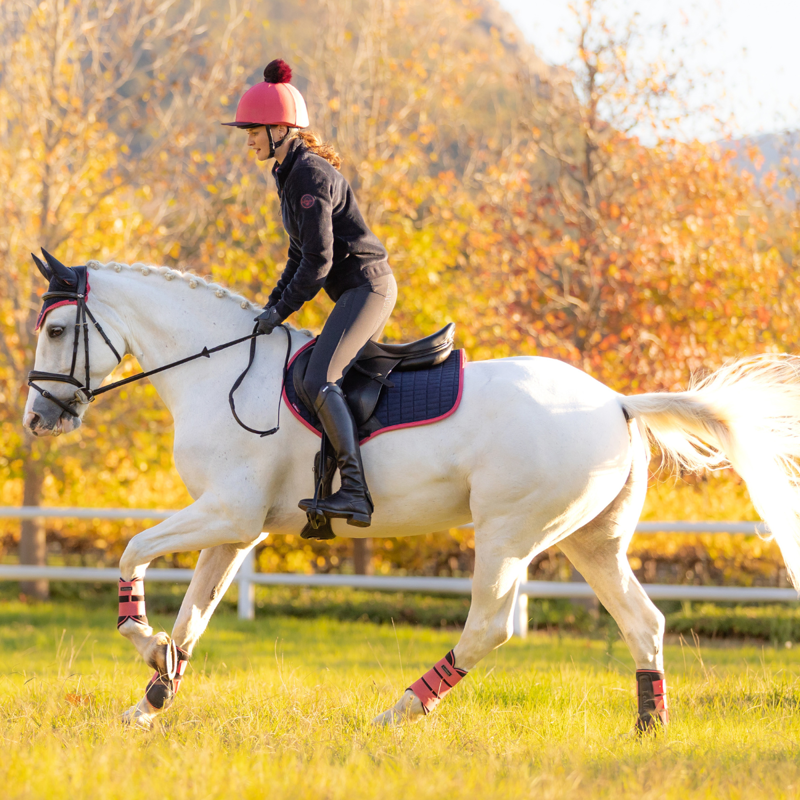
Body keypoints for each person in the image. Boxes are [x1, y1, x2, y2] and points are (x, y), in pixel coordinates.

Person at [223, 59, 397, 528]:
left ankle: (355, 493)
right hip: (353, 292)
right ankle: (323, 484)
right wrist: (269, 307)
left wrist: (281, 310)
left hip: (367, 288)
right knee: (308, 377)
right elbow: (297, 255)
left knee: (319, 378)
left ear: (280, 129)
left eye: (253, 131)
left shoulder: (309, 176)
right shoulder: (288, 173)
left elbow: (318, 263)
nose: (248, 140)